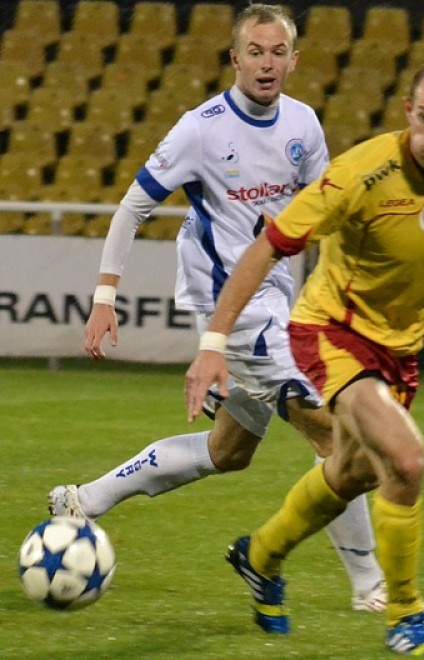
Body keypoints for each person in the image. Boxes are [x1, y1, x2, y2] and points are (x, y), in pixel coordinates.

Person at [48, 3, 389, 613]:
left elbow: (328, 211)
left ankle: (84, 500)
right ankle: (370, 588)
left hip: (277, 302)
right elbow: (132, 208)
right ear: (235, 58)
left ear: (294, 60)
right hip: (228, 310)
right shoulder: (200, 129)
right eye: (254, 52)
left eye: (277, 52)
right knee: (337, 435)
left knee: (228, 451)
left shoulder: (304, 124)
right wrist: (104, 298)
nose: (266, 63)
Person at [184, 58, 424, 656]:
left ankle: (259, 555)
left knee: (352, 472)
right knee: (406, 461)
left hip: (401, 348)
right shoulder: (359, 174)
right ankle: (403, 615)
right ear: (407, 111)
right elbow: (268, 247)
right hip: (331, 332)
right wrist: (213, 343)